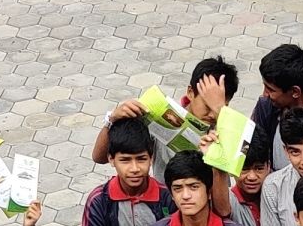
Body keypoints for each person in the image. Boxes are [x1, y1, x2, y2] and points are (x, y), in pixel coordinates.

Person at [95, 54, 239, 163]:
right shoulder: (158, 116)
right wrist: (111, 121)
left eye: (220, 105)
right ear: (190, 92)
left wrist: (221, 112)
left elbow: (238, 165)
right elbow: (100, 157)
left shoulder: (229, 129)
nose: (212, 114)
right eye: (207, 105)